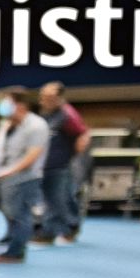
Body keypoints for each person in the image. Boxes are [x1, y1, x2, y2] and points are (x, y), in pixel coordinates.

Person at [0, 86, 48, 265]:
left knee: (21, 216)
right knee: (13, 215)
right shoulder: (11, 125)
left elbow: (32, 155)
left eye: (6, 101)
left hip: (26, 178)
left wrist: (9, 171)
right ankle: (14, 247)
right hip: (10, 179)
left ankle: (16, 252)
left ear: (20, 105)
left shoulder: (36, 125)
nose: (2, 105)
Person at [35, 81, 91, 245]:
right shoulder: (45, 114)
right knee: (55, 199)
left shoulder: (67, 115)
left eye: (49, 97)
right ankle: (65, 227)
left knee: (58, 199)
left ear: (59, 98)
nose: (44, 100)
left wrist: (75, 155)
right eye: (43, 97)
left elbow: (83, 135)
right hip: (46, 164)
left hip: (62, 164)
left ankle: (54, 232)